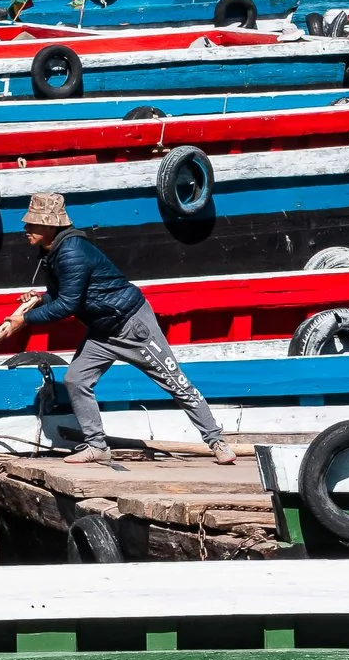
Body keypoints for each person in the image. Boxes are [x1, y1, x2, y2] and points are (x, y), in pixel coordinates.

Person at [18, 191, 233, 466]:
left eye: (31, 224)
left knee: (175, 382)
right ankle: (96, 445)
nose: (25, 228)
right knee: (76, 379)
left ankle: (216, 441)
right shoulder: (51, 253)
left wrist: (25, 320)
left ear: (49, 225)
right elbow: (63, 295)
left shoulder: (71, 252)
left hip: (132, 327)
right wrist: (38, 299)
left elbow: (68, 305)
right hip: (102, 330)